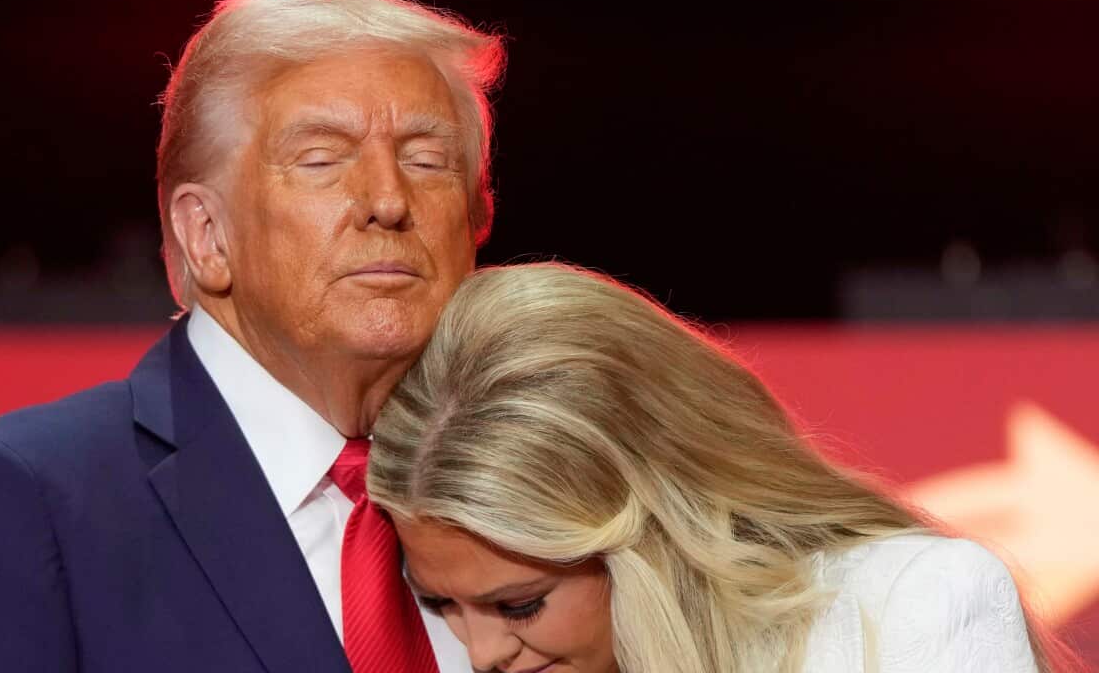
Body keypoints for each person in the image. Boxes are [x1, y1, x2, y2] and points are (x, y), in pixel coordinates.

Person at [0, 0, 503, 673]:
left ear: (476, 223)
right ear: (206, 236)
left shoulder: (530, 501)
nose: (389, 200)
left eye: (428, 161)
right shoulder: (14, 504)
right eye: (322, 159)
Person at [367, 263, 1073, 673]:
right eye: (440, 605)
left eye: (520, 605)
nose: (481, 652)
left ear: (653, 527)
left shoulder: (914, 602)